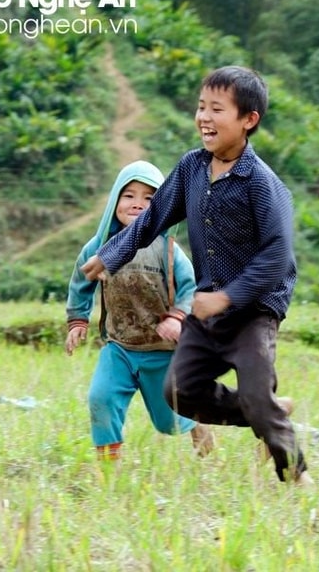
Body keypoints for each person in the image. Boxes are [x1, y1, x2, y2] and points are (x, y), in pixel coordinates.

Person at [80, 66, 311, 485]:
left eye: (216, 109)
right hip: (208, 308)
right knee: (179, 393)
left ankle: (294, 473)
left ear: (248, 120)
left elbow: (279, 256)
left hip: (253, 310)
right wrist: (111, 255)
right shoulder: (191, 169)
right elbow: (153, 217)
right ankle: (268, 414)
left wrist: (228, 297)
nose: (204, 116)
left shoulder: (261, 184)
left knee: (259, 394)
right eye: (201, 106)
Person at [65, 160, 215, 460]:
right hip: (119, 346)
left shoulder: (168, 250)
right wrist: (78, 319)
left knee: (168, 421)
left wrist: (177, 317)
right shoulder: (99, 246)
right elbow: (82, 280)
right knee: (100, 398)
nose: (137, 204)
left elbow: (192, 288)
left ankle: (197, 425)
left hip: (161, 350)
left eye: (149, 198)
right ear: (114, 200)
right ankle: (109, 468)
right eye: (129, 195)